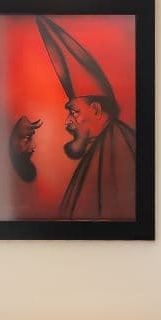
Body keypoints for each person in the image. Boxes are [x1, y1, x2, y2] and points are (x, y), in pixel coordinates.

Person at [35, 16, 137, 220]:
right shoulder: (103, 146)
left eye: (74, 112)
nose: (67, 122)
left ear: (97, 110)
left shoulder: (121, 148)